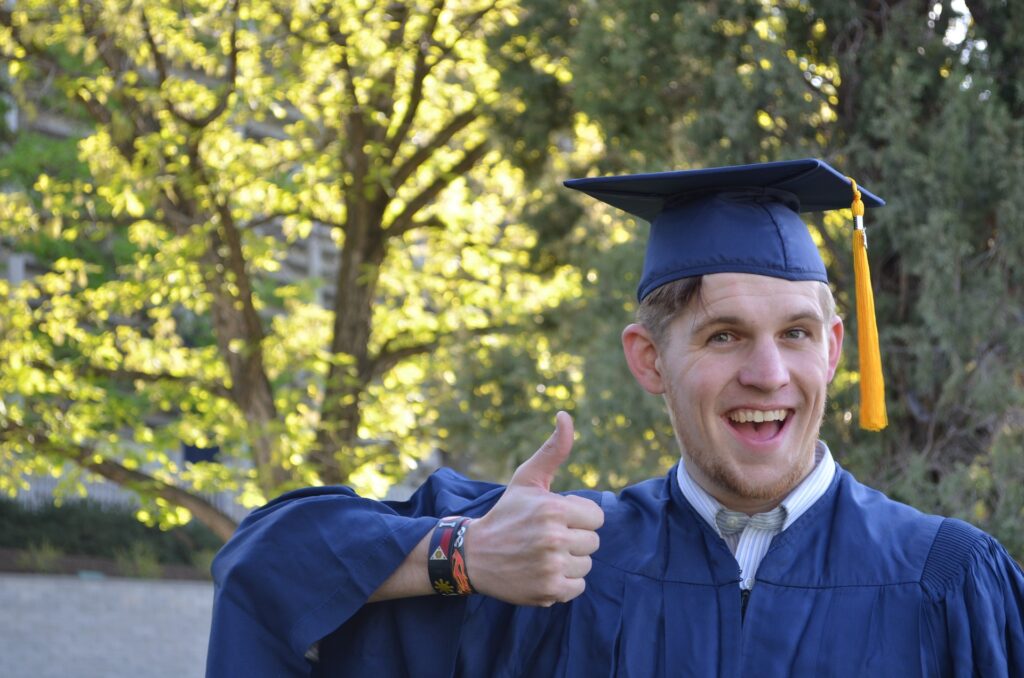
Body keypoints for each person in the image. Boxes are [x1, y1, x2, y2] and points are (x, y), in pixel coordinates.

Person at [206, 159, 1024, 677]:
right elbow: (264, 564)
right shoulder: (557, 560)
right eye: (724, 334)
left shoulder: (947, 580)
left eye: (797, 334)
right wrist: (458, 555)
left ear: (836, 348)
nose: (769, 373)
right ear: (648, 360)